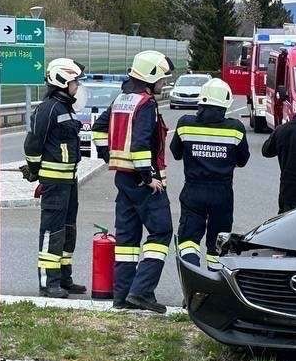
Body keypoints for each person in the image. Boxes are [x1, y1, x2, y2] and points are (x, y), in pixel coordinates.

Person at [91, 50, 173, 314]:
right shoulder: (146, 103)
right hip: (142, 181)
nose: (163, 84)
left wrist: (109, 156)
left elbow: (98, 129)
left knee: (127, 240)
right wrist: (148, 177)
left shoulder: (122, 98)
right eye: (161, 79)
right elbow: (140, 144)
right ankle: (142, 292)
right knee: (161, 231)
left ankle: (121, 296)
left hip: (122, 179)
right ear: (150, 76)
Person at [23, 58, 87, 298]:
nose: (77, 86)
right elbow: (33, 142)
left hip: (69, 180)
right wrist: (34, 169)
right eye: (74, 81)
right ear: (62, 81)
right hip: (54, 181)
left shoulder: (65, 108)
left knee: (68, 229)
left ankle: (63, 278)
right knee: (52, 231)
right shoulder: (48, 108)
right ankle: (48, 284)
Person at [170, 78, 249, 269]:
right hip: (222, 192)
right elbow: (242, 160)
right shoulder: (235, 129)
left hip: (193, 190)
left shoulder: (185, 124)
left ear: (201, 101)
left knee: (188, 240)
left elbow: (176, 153)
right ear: (225, 104)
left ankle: (192, 283)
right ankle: (213, 287)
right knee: (219, 242)